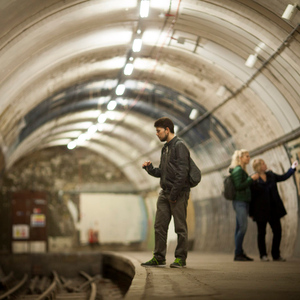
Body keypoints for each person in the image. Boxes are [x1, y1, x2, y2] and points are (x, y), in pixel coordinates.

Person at [141, 117, 191, 268]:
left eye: (158, 131)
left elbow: (183, 172)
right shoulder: (166, 148)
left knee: (180, 227)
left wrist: (174, 194)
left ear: (167, 130)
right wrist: (150, 169)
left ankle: (180, 258)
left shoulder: (180, 146)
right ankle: (159, 257)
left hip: (178, 193)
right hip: (164, 193)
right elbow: (162, 172)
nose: (157, 134)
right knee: (160, 226)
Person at [250, 159, 298, 262]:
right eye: (263, 164)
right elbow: (251, 198)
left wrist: (292, 169)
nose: (265, 165)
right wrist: (251, 212)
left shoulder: (271, 175)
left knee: (277, 231)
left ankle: (275, 254)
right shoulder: (253, 179)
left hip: (273, 209)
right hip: (260, 210)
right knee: (261, 233)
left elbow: (283, 177)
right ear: (258, 167)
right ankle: (263, 254)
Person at [229, 149, 259, 261]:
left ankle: (240, 252)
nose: (249, 158)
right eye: (246, 156)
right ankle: (238, 253)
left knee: (239, 227)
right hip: (239, 202)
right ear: (240, 158)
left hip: (243, 202)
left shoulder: (242, 170)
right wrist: (251, 179)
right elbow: (238, 186)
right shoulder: (238, 170)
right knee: (242, 227)